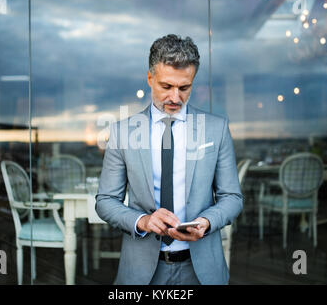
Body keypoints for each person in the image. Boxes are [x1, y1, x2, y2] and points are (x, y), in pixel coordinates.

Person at [95, 34, 243, 285]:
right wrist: (143, 221)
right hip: (141, 272)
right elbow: (106, 201)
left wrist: (207, 222)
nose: (175, 98)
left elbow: (232, 198)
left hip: (203, 270)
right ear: (150, 78)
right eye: (166, 86)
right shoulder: (122, 132)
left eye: (184, 88)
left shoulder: (216, 129)